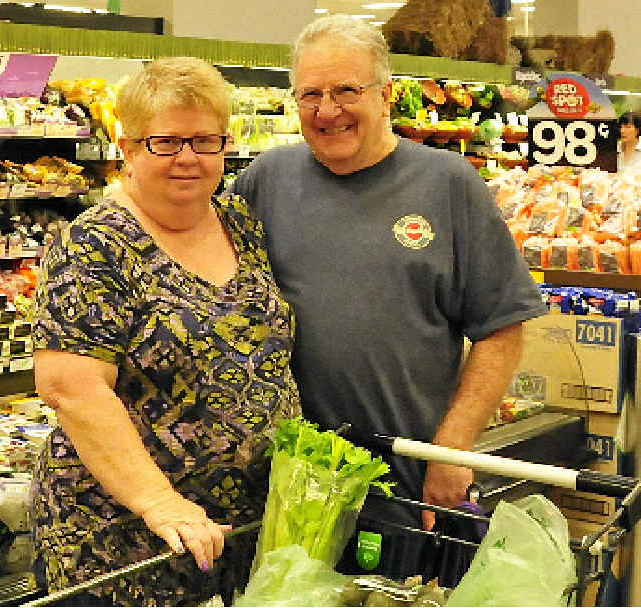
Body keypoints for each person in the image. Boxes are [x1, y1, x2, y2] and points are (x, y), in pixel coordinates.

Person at [231, 15, 545, 580]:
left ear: (386, 95)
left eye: (347, 91)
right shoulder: (266, 180)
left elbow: (502, 327)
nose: (328, 111)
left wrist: (451, 450)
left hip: (405, 482)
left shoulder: (448, 184)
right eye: (311, 95)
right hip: (285, 479)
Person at [31, 57, 300, 606]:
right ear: (128, 148)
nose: (187, 158)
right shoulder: (94, 244)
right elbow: (72, 388)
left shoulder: (239, 221)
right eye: (165, 142)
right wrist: (159, 501)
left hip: (239, 533)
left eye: (205, 140)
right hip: (129, 541)